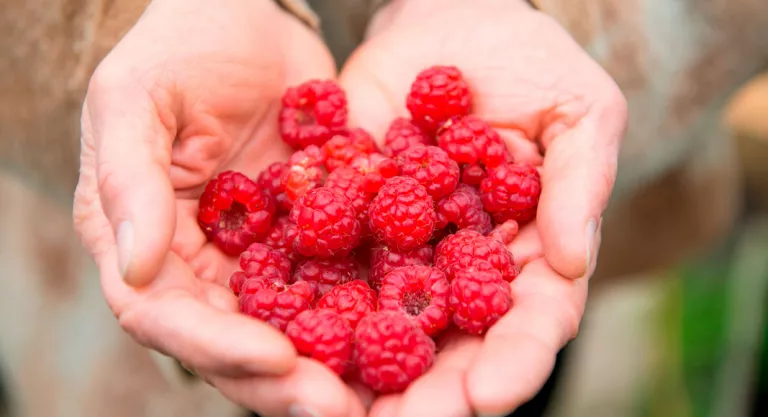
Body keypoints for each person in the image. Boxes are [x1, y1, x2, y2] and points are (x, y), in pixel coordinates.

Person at [2, 0, 766, 416]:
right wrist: (116, 20)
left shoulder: (433, 214)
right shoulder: (313, 216)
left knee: (506, 382)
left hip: (566, 241)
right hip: (88, 304)